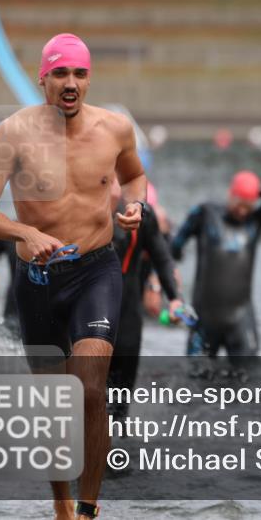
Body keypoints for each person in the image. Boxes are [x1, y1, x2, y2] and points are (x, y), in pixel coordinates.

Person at [0, 33, 146, 520]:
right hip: (38, 281)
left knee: (89, 389)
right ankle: (61, 504)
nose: (71, 83)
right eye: (61, 73)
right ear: (42, 78)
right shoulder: (13, 133)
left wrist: (136, 205)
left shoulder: (115, 128)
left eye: (80, 74)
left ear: (89, 78)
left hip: (96, 270)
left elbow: (133, 175)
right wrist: (24, 230)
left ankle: (89, 509)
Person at [170, 170, 261, 358]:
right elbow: (174, 247)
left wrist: (254, 190)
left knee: (249, 378)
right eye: (239, 204)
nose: (242, 211)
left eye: (248, 206)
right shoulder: (206, 213)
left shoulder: (255, 221)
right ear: (230, 195)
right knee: (194, 377)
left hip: (241, 318)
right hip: (204, 319)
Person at [107, 178, 183, 419]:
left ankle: (118, 447)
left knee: (120, 406)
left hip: (129, 312)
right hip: (91, 311)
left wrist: (175, 298)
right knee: (88, 396)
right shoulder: (88, 209)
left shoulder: (145, 217)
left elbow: (162, 258)